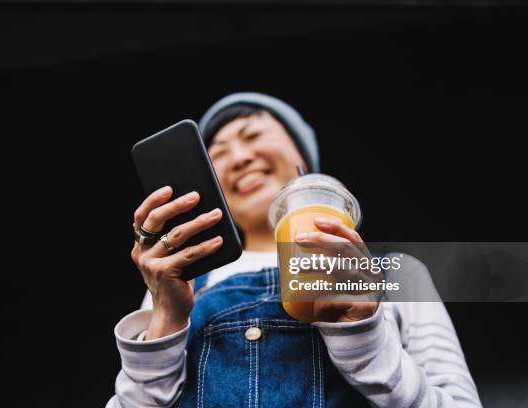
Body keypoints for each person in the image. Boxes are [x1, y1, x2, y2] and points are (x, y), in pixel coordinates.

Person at [106, 92, 482, 407]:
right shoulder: (176, 285)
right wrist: (166, 321)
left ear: (304, 162)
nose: (238, 158)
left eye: (253, 135)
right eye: (217, 153)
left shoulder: (396, 273)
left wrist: (365, 346)